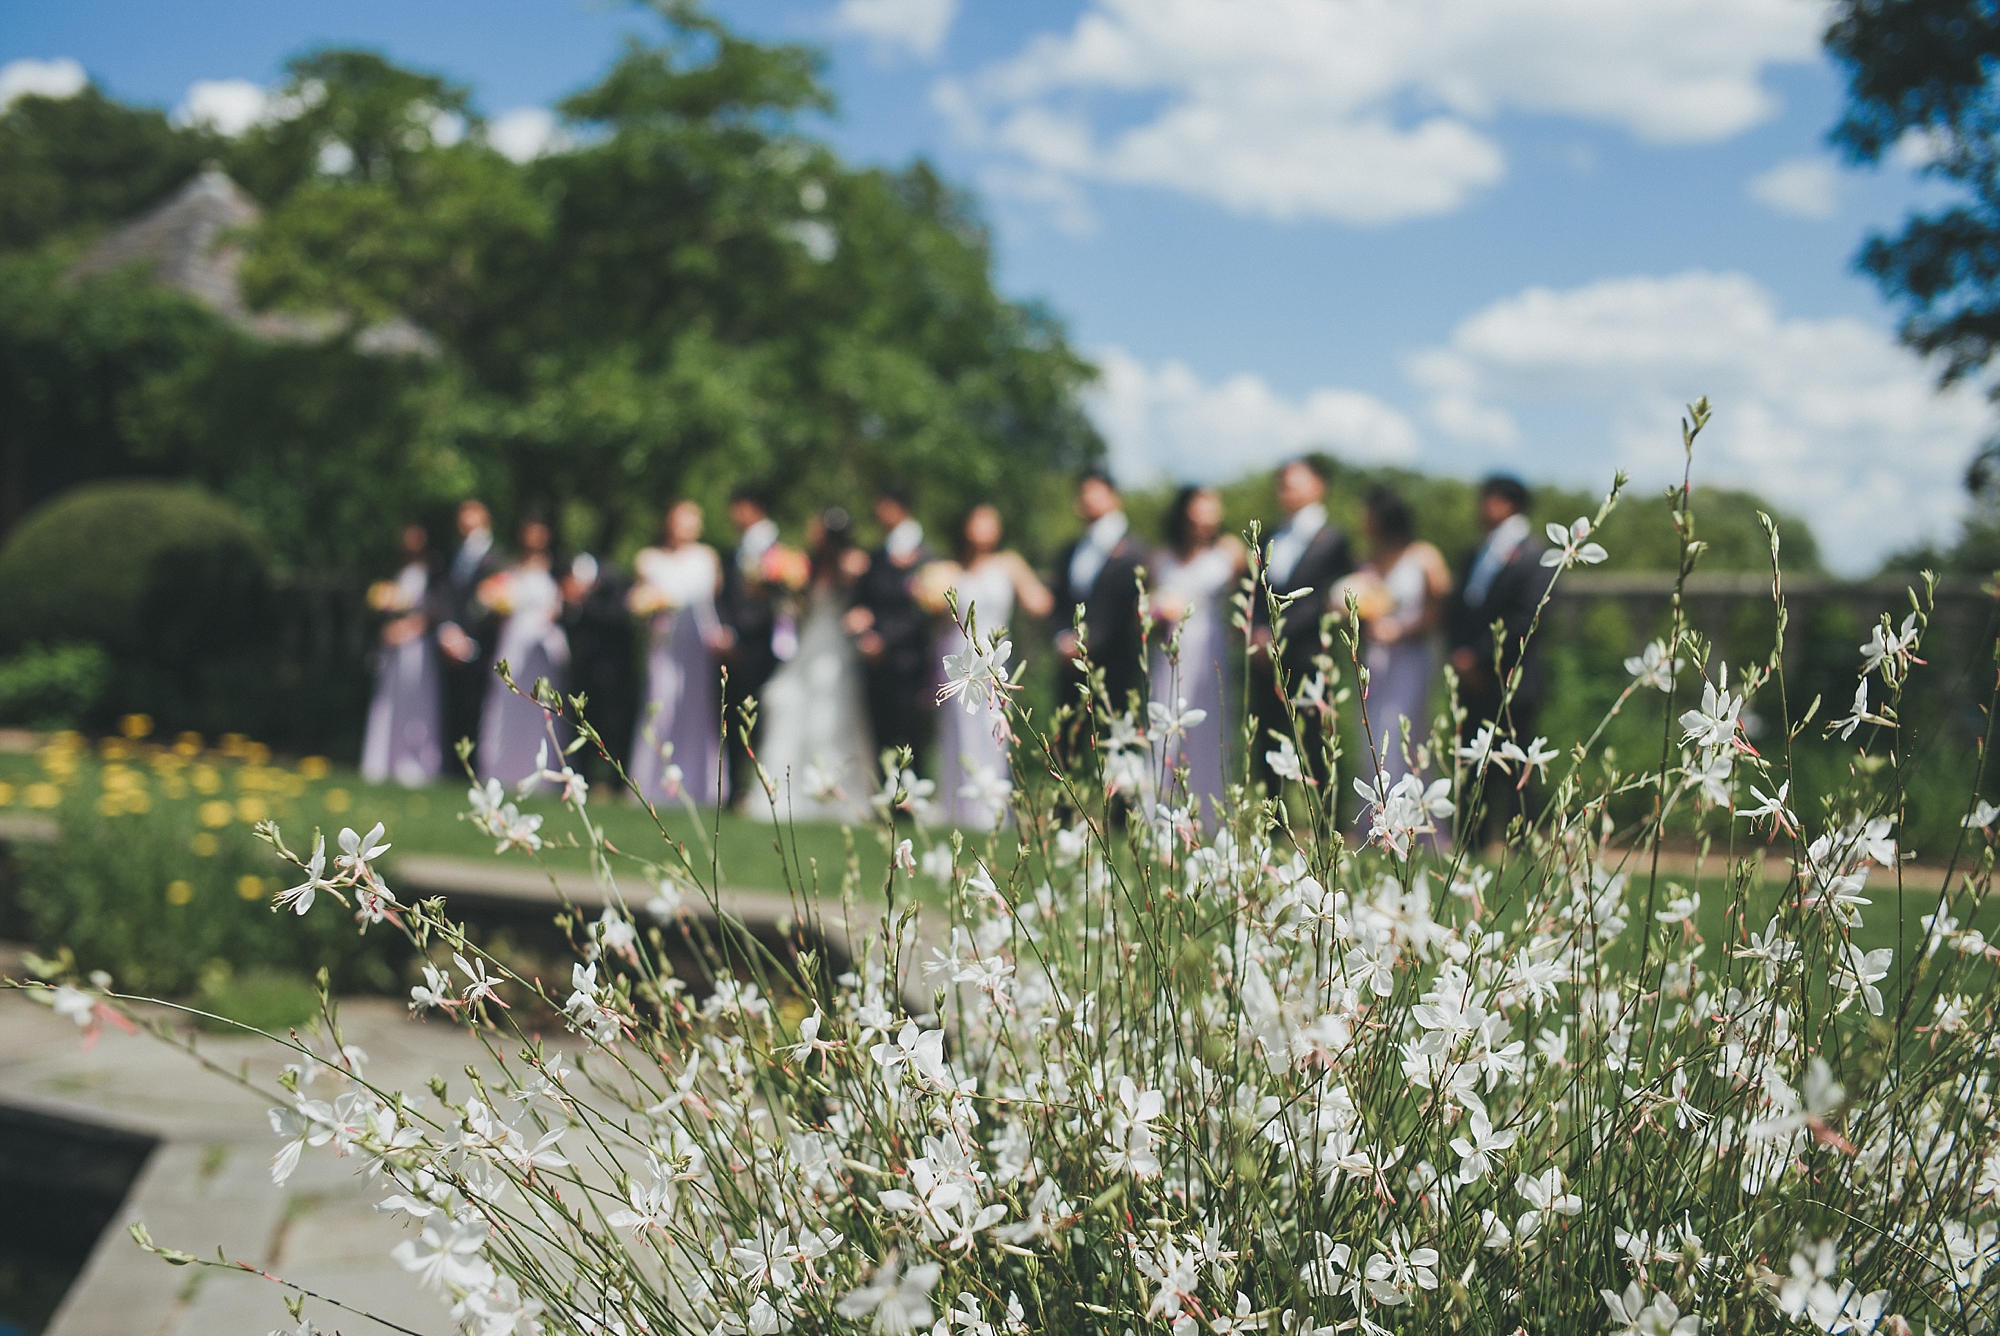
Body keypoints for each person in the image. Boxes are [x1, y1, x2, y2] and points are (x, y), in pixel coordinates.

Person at [927, 504, 1053, 829]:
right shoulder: (949, 569)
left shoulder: (1009, 564)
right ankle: (959, 809)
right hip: (958, 656)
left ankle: (990, 811)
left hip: (995, 657)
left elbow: (1040, 602)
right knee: (960, 729)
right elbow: (934, 613)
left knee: (993, 729)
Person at [1445, 474, 1554, 844]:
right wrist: (1460, 657)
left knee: (1517, 771)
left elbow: (1528, 616)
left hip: (1512, 679)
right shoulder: (1476, 552)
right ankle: (1469, 844)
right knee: (1472, 767)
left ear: (1507, 503)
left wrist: (1479, 658)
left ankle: (1522, 846)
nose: (1480, 508)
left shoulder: (1535, 553)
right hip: (1470, 680)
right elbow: (1457, 610)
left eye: (1486, 499)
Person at [756, 509, 876, 822]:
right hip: (809, 640)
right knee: (788, 703)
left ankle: (840, 796)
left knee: (831, 716)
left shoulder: (853, 564)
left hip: (835, 645)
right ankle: (785, 793)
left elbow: (866, 598)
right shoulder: (805, 565)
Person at [1249, 457, 1353, 790]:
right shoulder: (1268, 535)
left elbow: (1323, 599)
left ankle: (1326, 827)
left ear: (1318, 485)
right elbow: (1255, 590)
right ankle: (1275, 822)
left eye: (1296, 482)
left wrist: (1278, 635)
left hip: (1308, 655)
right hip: (1266, 659)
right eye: (1283, 483)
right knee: (1269, 737)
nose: (1287, 490)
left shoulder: (1334, 539)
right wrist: (1255, 635)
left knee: (1315, 739)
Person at [1149, 486, 1246, 817]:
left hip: (1209, 643)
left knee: (1207, 725)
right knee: (1166, 715)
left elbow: (1251, 596)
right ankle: (1161, 804)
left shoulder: (1229, 551)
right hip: (1171, 648)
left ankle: (1208, 809)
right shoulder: (1162, 558)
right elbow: (1145, 606)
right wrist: (1155, 610)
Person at [1349, 486, 1451, 796]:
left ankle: (1411, 810)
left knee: (1403, 729)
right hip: (1375, 659)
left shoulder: (1424, 556)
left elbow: (1442, 606)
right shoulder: (1367, 561)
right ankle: (1376, 814)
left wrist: (1403, 630)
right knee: (1371, 729)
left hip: (1411, 656)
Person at [627, 500, 728, 807]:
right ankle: (650, 783)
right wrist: (651, 606)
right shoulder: (649, 559)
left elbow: (713, 604)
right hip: (666, 642)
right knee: (660, 705)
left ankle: (699, 784)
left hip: (698, 644)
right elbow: (638, 600)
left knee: (697, 710)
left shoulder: (707, 557)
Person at [846, 487, 935, 775]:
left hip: (909, 662)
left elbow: (923, 614)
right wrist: (863, 631)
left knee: (911, 735)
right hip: (875, 662)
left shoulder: (927, 557)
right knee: (880, 733)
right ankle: (887, 798)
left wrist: (885, 639)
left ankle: (912, 799)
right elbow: (863, 602)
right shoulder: (875, 557)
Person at [476, 514, 570, 789]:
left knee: (540, 707)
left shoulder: (556, 570)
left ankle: (542, 773)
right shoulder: (507, 568)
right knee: (508, 703)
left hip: (542, 649)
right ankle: (503, 768)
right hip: (513, 643)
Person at [1050, 471, 1148, 726]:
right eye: (1083, 493)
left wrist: (1089, 642)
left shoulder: (1135, 551)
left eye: (1095, 492)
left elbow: (1125, 607)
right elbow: (1060, 600)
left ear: (1114, 497)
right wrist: (1062, 638)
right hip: (1070, 667)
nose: (1088, 499)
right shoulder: (1070, 551)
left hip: (1115, 668)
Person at [360, 521, 443, 787]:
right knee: (388, 702)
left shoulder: (433, 571)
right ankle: (384, 760)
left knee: (416, 702)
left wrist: (409, 627)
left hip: (418, 649)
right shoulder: (394, 571)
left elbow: (435, 609)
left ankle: (415, 765)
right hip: (394, 650)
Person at [716, 485, 781, 800]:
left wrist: (744, 631)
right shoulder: (733, 552)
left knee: (758, 716)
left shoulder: (776, 551)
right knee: (732, 716)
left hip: (764, 646)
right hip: (733, 647)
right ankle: (734, 787)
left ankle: (755, 785)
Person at [560, 549, 638, 790]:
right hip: (585, 669)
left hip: (615, 671)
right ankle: (585, 776)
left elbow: (618, 617)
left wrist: (583, 602)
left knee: (615, 727)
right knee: (583, 723)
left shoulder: (613, 583)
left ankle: (615, 781)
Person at [436, 499, 503, 756]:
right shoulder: (450, 556)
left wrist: (470, 638)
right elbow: (444, 596)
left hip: (484, 648)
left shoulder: (497, 559)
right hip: (450, 646)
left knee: (480, 711)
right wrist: (447, 631)